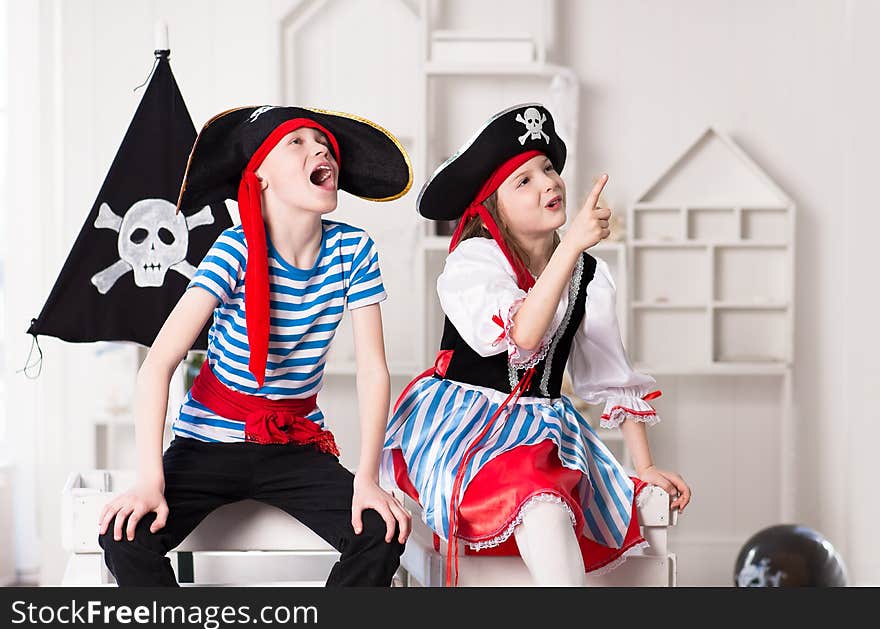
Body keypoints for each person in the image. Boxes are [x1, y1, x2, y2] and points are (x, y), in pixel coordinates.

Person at [98, 105, 413, 586]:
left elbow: (373, 370)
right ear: (260, 177)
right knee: (125, 537)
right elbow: (158, 364)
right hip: (207, 442)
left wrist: (367, 479)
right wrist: (149, 481)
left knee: (382, 529)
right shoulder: (235, 247)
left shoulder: (353, 249)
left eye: (322, 142)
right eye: (298, 142)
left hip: (293, 442)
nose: (320, 147)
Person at [383, 103, 691, 586]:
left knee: (550, 502)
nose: (548, 182)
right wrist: (571, 248)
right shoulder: (475, 261)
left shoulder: (589, 277)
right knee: (543, 508)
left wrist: (645, 465)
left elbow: (612, 375)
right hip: (465, 426)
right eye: (523, 180)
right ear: (492, 205)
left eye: (547, 168)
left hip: (543, 428)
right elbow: (521, 335)